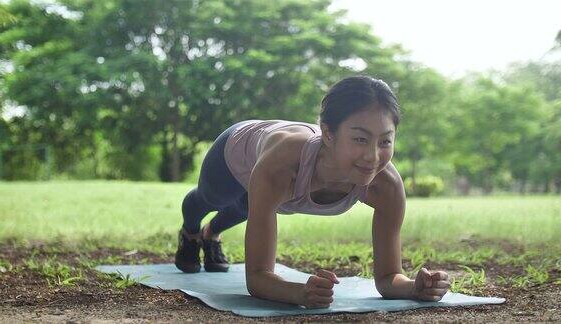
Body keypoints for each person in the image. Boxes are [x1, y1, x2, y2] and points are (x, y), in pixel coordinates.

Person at [175, 75, 450, 308]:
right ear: (328, 134)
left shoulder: (386, 185)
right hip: (236, 149)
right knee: (213, 198)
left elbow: (389, 277)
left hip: (267, 176)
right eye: (360, 139)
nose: (372, 157)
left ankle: (211, 235)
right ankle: (190, 233)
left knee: (245, 206)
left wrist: (415, 287)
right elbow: (258, 276)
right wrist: (299, 292)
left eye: (385, 141)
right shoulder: (282, 166)